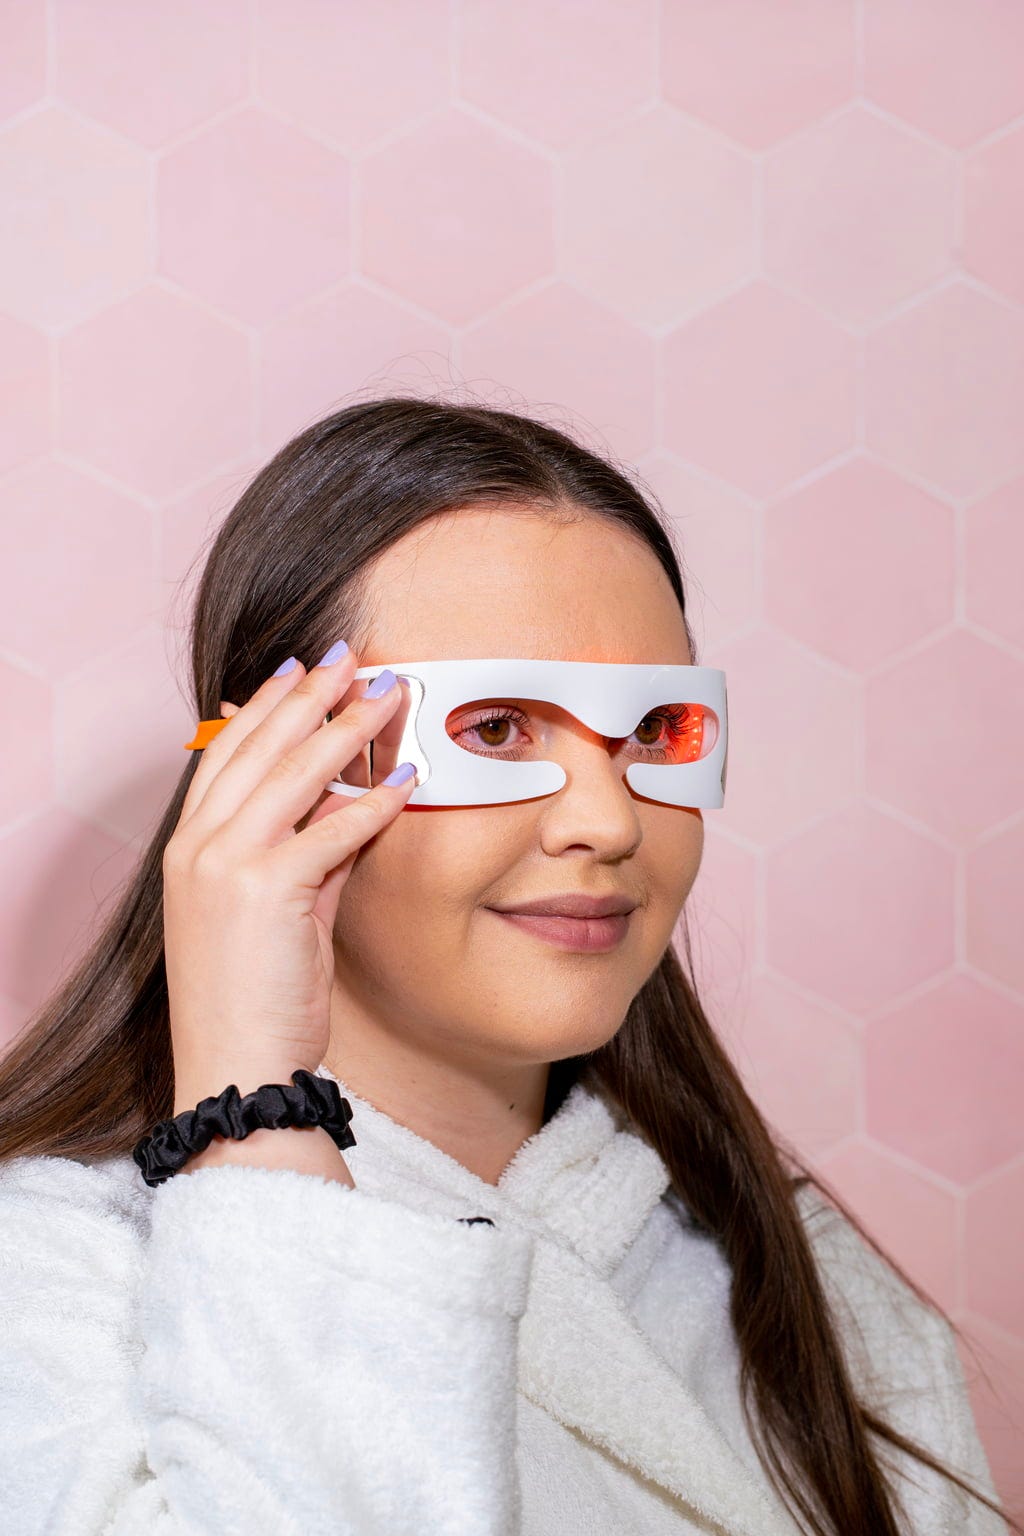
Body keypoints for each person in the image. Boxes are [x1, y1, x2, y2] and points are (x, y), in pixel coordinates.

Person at [0, 398, 1012, 1535]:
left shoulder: (802, 1283)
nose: (608, 821)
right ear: (274, 770)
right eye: (495, 730)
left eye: (653, 732)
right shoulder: (46, 1287)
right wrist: (259, 1116)